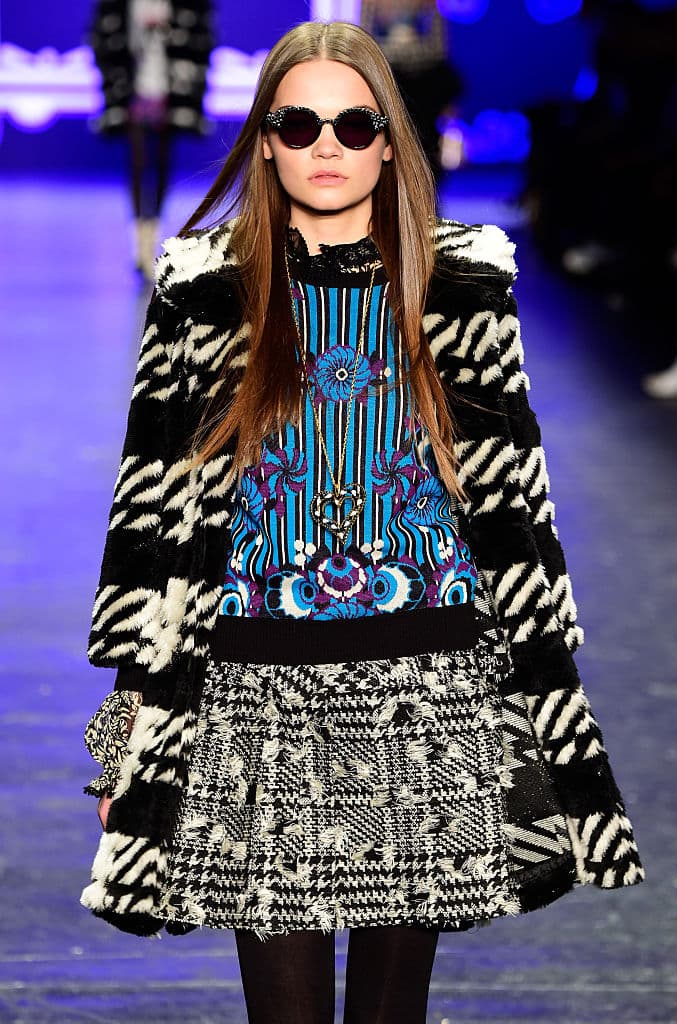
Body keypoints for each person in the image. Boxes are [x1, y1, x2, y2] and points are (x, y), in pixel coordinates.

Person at [81, 21, 644, 1024]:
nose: (327, 145)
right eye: (299, 124)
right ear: (265, 142)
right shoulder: (202, 291)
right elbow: (148, 524)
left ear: (390, 142)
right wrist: (122, 739)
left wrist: (547, 709)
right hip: (254, 689)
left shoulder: (462, 284)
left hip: (428, 683)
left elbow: (515, 504)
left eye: (354, 124)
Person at [90, 0, 214, 280]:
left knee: (161, 163)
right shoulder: (117, 6)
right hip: (133, 88)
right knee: (137, 161)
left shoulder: (187, 7)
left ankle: (152, 236)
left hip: (170, 87)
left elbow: (201, 38)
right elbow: (104, 38)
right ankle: (140, 241)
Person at [360, 0, 463, 179]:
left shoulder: (436, 67)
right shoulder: (374, 67)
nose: (400, 7)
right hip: (387, 153)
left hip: (426, 149)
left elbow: (449, 110)